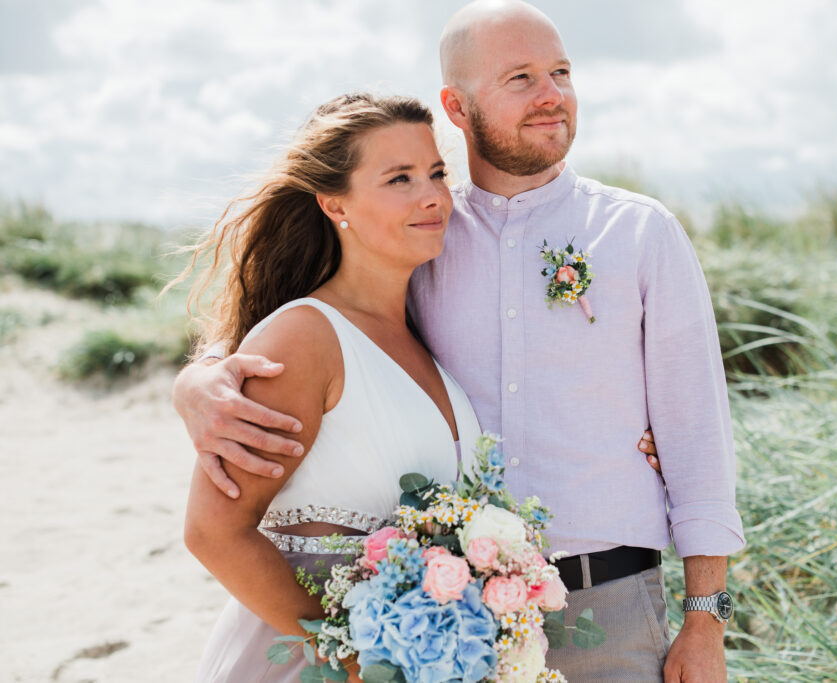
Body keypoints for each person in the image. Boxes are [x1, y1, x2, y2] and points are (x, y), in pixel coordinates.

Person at [174, 1, 745, 680]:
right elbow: (303, 327)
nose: (551, 95)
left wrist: (705, 617)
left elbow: (698, 440)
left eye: (562, 72)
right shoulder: (424, 242)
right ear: (458, 105)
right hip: (454, 620)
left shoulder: (641, 234)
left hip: (612, 607)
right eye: (521, 78)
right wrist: (201, 377)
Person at [179, 93, 483, 681]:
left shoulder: (423, 335)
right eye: (399, 178)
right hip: (312, 659)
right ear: (333, 203)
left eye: (437, 173)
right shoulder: (305, 336)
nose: (433, 196)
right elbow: (214, 532)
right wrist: (350, 657)